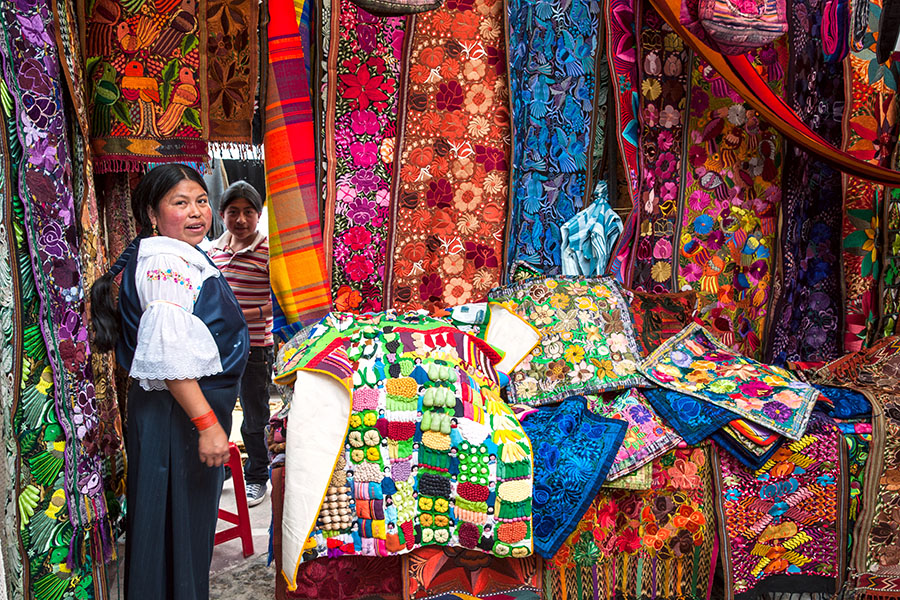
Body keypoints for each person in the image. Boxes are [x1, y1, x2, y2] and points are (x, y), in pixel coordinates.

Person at [90, 164, 249, 600]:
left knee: (176, 528)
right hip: (176, 418)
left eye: (201, 200)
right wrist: (208, 426)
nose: (197, 212)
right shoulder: (165, 261)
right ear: (153, 213)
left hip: (175, 416)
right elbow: (170, 355)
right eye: (181, 203)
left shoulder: (175, 252)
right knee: (174, 528)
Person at [208, 181, 273, 507]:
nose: (242, 219)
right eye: (234, 212)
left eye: (249, 212)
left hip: (255, 346)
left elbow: (280, 302)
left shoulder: (268, 252)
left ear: (259, 215)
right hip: (218, 347)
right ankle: (220, 471)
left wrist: (241, 313)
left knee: (255, 414)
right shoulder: (210, 251)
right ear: (222, 214)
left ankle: (258, 476)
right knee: (217, 410)